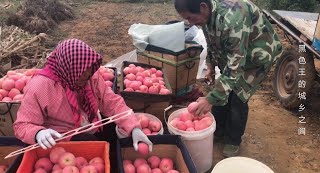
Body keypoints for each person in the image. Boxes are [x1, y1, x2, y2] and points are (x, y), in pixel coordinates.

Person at [174, 0, 283, 157]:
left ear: (203, 7)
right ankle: (219, 129)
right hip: (236, 54)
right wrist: (210, 66)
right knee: (224, 89)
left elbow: (235, 67)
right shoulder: (206, 17)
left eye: (190, 17)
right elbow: (211, 43)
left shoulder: (233, 19)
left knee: (238, 95)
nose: (190, 23)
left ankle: (233, 140)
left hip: (258, 56)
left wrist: (210, 99)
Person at [13, 39, 152, 153]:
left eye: (89, 71)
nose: (87, 76)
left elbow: (111, 101)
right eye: (82, 73)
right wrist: (38, 133)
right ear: (67, 69)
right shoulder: (40, 87)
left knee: (113, 132)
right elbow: (22, 125)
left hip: (91, 122)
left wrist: (134, 127)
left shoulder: (90, 75)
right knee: (92, 145)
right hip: (62, 136)